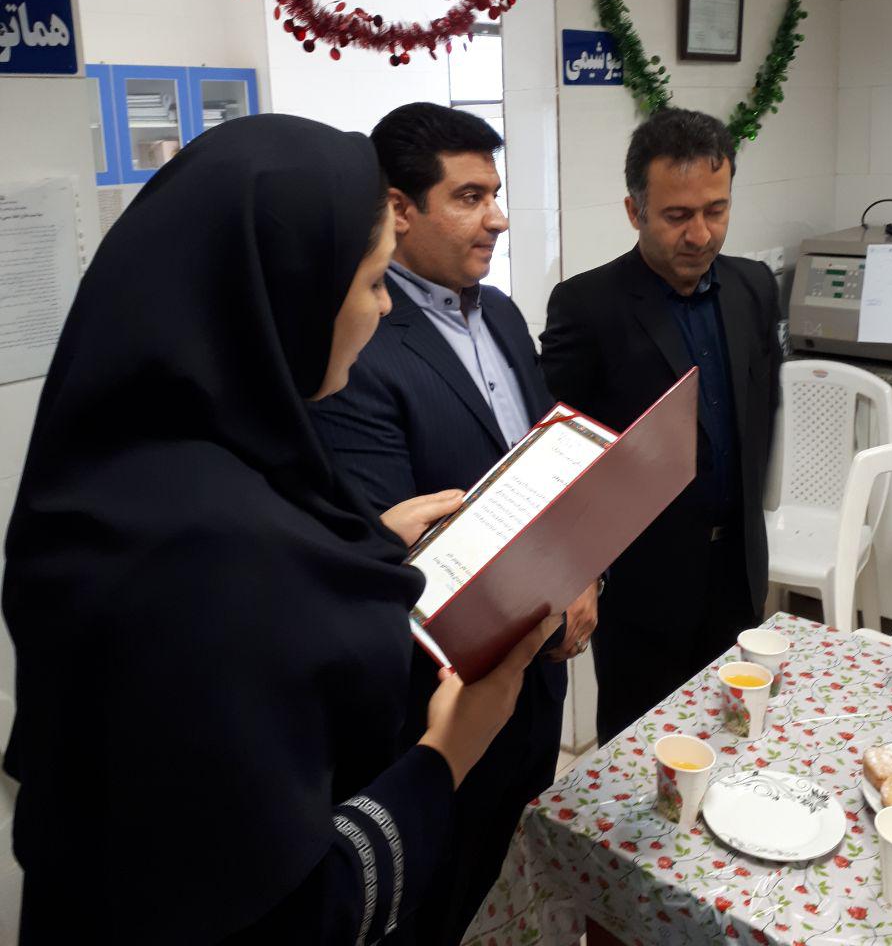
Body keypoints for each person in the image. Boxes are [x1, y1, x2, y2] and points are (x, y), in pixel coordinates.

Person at [2, 114, 555, 945]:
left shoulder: (127, 467)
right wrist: (451, 748)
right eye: (372, 282)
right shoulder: (211, 555)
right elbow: (292, 911)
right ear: (284, 294)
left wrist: (363, 544)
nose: (382, 310)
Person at [309, 102, 599, 946]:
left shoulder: (501, 313)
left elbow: (551, 463)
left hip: (537, 669)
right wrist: (545, 595)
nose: (497, 218)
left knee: (513, 868)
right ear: (400, 209)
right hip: (442, 693)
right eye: (470, 197)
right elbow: (403, 550)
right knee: (441, 895)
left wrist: (585, 568)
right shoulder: (360, 342)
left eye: (495, 194)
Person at [540, 108, 781, 746]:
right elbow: (558, 452)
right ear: (635, 211)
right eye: (677, 216)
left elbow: (761, 412)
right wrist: (577, 569)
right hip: (643, 584)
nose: (700, 234)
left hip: (737, 570)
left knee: (734, 737)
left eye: (716, 210)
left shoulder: (754, 287)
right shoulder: (587, 306)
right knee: (637, 755)